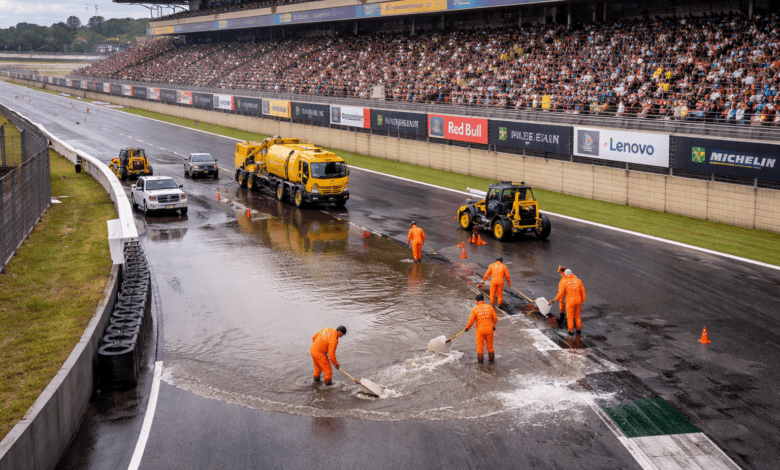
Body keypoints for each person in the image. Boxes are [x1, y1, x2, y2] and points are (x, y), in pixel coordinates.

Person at [549, 269, 586, 336]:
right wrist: (583, 300)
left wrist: (555, 300)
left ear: (565, 274)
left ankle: (570, 331)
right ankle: (578, 330)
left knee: (570, 317)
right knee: (577, 316)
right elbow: (583, 291)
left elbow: (561, 293)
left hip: (570, 302)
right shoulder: (578, 281)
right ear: (572, 274)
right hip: (578, 301)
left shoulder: (565, 282)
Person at [465, 293, 498, 362]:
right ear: (483, 300)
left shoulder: (475, 309)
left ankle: (480, 364)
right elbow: (495, 318)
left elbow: (471, 321)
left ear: (477, 301)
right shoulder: (490, 307)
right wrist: (493, 325)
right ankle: (492, 362)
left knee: (480, 348)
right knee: (490, 347)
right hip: (489, 329)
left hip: (480, 331)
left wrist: (467, 328)